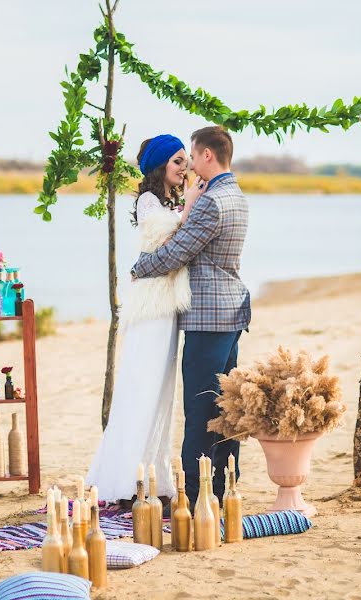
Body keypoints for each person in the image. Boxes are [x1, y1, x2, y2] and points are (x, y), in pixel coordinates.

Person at [85, 133, 209, 503]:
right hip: (152, 308)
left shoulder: (171, 200)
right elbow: (167, 239)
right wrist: (190, 205)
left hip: (169, 308)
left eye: (186, 160)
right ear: (159, 166)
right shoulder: (148, 200)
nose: (184, 166)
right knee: (140, 390)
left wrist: (187, 203)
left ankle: (152, 476)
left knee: (160, 395)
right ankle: (125, 481)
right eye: (176, 161)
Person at [130, 126, 250, 506]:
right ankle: (226, 489)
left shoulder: (211, 202)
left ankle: (197, 497)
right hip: (231, 314)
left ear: (207, 156)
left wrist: (140, 268)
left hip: (208, 320)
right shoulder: (236, 194)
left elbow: (176, 252)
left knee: (201, 410)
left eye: (193, 157)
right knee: (226, 409)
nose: (190, 166)